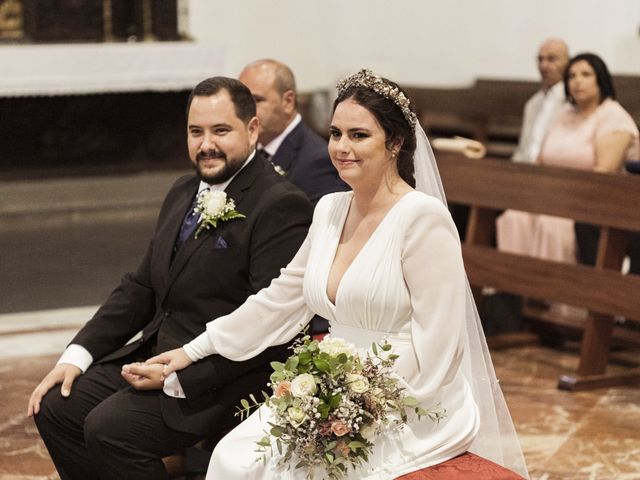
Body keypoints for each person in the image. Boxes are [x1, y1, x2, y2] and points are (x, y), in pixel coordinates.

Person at [145, 69, 529, 479]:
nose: (342, 147)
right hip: (330, 388)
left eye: (359, 135)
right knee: (232, 458)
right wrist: (194, 350)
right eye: (335, 134)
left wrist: (365, 405)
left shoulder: (423, 219)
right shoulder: (328, 209)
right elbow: (280, 299)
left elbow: (440, 345)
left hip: (412, 398)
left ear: (395, 143)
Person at [27, 76, 313, 480]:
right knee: (56, 406)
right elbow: (141, 286)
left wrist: (180, 373)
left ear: (252, 130)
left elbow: (268, 324)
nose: (205, 144)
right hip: (159, 355)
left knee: (110, 430)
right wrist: (77, 355)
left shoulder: (280, 204)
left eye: (220, 130)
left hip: (225, 375)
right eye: (196, 132)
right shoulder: (183, 190)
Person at [498, 53, 639, 266]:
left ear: (601, 80)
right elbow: (542, 161)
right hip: (550, 197)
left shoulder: (613, 117)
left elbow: (604, 175)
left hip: (592, 205)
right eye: (572, 76)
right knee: (513, 218)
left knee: (550, 224)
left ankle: (553, 294)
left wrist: (560, 197)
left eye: (586, 75)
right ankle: (512, 291)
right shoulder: (564, 114)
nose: (577, 81)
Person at [239, 59, 349, 205]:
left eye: (256, 100)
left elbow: (318, 224)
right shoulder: (246, 151)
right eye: (241, 102)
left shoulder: (317, 160)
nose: (245, 111)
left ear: (288, 102)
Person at [512, 38, 569, 164]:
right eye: (540, 59)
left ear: (567, 62)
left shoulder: (572, 101)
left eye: (551, 59)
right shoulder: (533, 103)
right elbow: (523, 149)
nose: (544, 66)